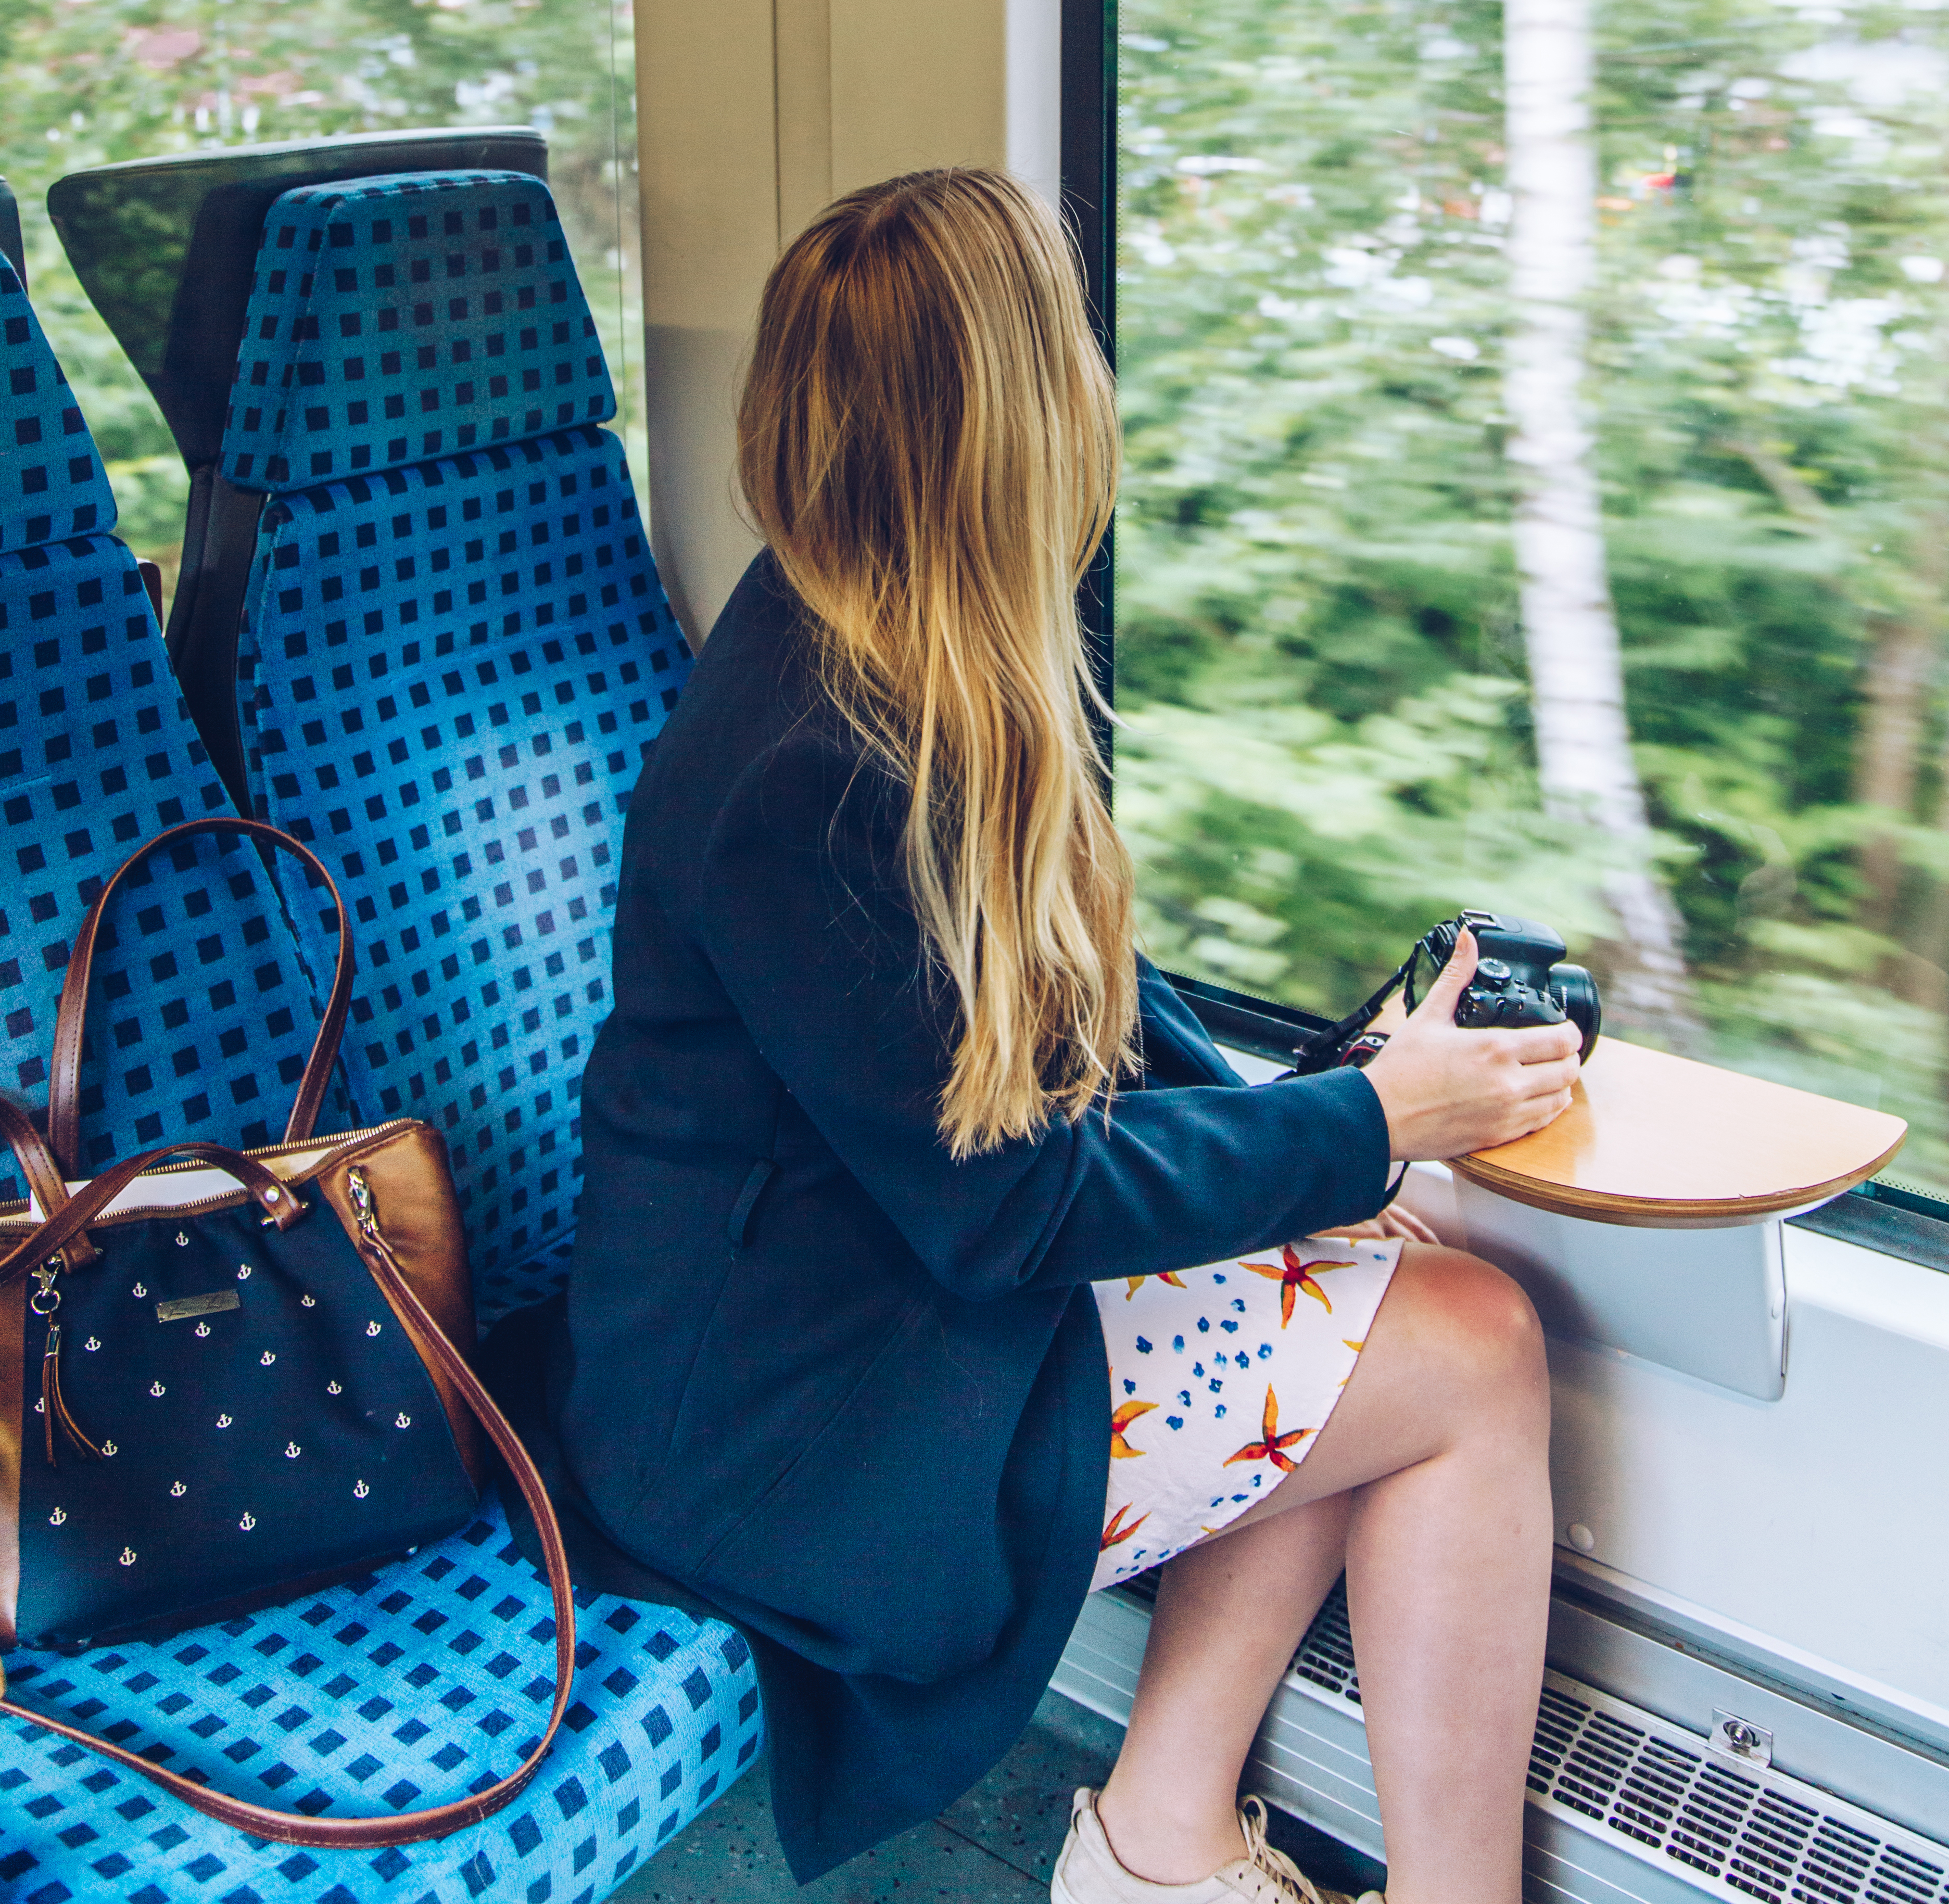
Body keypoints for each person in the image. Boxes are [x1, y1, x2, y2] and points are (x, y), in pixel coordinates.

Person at [546, 168, 1581, 1902]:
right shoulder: (808, 768)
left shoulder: (903, 648)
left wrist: (1309, 1120)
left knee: (1377, 1308)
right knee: (1474, 1355)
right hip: (784, 1412)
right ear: (1019, 423)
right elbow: (1009, 1202)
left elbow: (1063, 998)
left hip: (872, 1289)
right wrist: (1377, 1125)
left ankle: (1159, 1839)